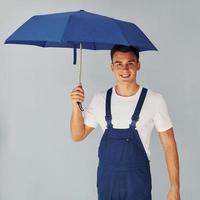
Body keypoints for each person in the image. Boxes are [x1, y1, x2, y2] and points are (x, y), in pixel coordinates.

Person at [70, 44, 180, 200]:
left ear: (138, 65)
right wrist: (76, 106)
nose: (125, 69)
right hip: (107, 182)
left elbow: (169, 145)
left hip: (137, 183)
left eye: (130, 63)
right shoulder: (100, 99)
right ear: (111, 67)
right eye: (119, 64)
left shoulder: (154, 100)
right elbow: (77, 135)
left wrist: (174, 187)